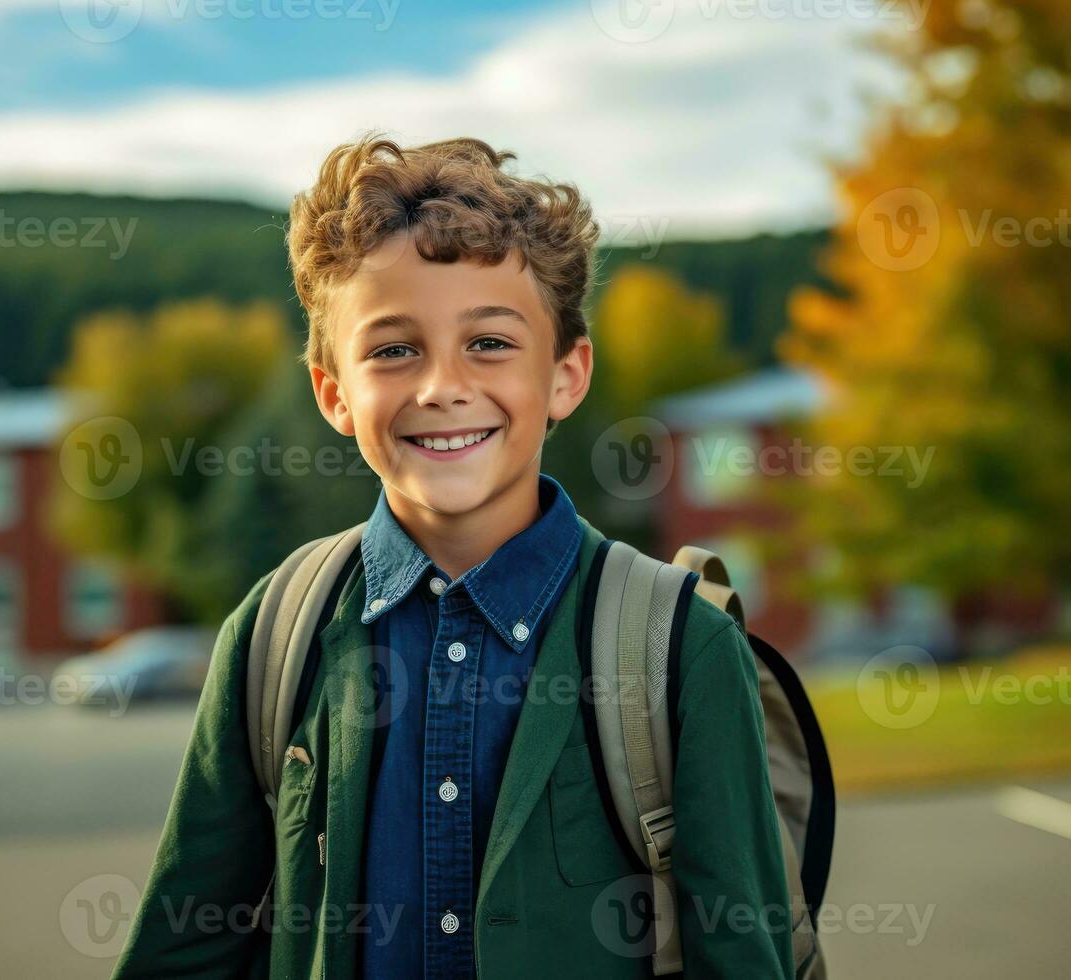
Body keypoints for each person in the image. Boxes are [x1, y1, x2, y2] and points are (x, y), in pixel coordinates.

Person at [112, 133, 793, 979]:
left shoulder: (679, 646)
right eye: (394, 350)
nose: (441, 387)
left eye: (491, 343)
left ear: (566, 377)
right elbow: (186, 951)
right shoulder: (273, 634)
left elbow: (743, 960)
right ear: (334, 394)